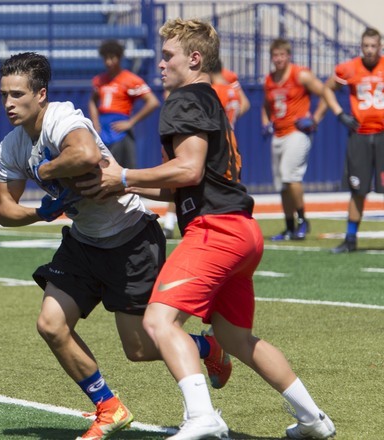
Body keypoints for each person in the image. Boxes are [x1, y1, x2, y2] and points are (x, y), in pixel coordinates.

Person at [79, 18, 335, 440]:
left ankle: (203, 416)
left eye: (168, 56)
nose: (160, 64)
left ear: (194, 59)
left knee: (160, 322)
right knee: (236, 339)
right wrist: (125, 185)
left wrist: (123, 175)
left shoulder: (184, 99)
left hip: (215, 229)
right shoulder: (208, 97)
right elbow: (189, 180)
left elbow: (189, 167)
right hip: (241, 229)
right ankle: (313, 419)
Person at [0, 51, 231, 440]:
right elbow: (3, 210)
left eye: (17, 95)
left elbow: (85, 153)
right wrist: (42, 211)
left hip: (130, 237)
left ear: (41, 94)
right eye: (4, 94)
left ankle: (208, 348)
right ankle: (109, 407)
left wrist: (46, 170)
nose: (8, 104)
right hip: (83, 243)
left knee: (138, 349)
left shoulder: (62, 118)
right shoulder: (12, 145)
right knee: (51, 325)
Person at [162, 60, 249, 239]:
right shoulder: (231, 89)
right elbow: (245, 105)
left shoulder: (211, 91)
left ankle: (170, 222)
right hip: (228, 141)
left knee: (181, 177)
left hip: (210, 142)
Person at [322, 27, 384, 253]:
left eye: (373, 46)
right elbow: (327, 88)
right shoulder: (349, 68)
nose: (369, 50)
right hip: (360, 135)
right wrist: (339, 114)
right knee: (358, 190)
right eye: (366, 46)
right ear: (361, 46)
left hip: (383, 135)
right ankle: (350, 239)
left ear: (380, 46)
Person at [262, 38, 327, 241]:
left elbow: (326, 92)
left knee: (290, 175)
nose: (278, 59)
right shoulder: (270, 79)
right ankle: (289, 226)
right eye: (275, 55)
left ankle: (302, 220)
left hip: (296, 132)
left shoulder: (300, 74)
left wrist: (314, 118)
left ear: (288, 56)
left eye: (282, 55)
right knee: (281, 183)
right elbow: (266, 106)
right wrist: (266, 123)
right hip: (278, 133)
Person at [88, 39, 160, 170]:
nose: (109, 62)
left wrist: (131, 122)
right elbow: (93, 101)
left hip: (119, 130)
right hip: (103, 131)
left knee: (123, 172)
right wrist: (95, 122)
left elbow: (153, 102)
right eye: (106, 58)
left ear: (119, 58)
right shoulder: (99, 80)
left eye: (112, 58)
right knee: (101, 170)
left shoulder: (130, 79)